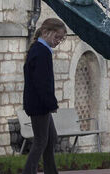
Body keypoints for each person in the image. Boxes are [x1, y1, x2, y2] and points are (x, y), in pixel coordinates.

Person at [22, 18, 67, 174]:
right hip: (39, 105)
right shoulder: (41, 52)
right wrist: (51, 104)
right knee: (41, 141)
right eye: (57, 37)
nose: (58, 41)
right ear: (46, 32)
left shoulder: (40, 49)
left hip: (39, 103)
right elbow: (42, 83)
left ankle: (51, 171)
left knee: (51, 139)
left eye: (61, 39)